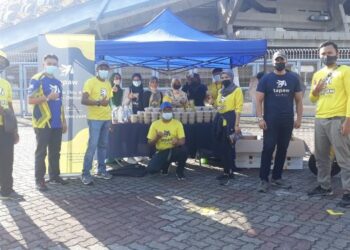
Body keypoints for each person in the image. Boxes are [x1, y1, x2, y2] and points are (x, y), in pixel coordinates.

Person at [307, 41, 350, 208]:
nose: (326, 56)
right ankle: (324, 186)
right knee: (321, 156)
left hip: (338, 119)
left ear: (337, 54)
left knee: (344, 157)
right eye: (323, 54)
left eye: (329, 52)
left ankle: (348, 191)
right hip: (320, 119)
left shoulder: (345, 71)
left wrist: (348, 120)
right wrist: (316, 90)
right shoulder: (318, 74)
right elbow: (312, 99)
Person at [256, 51, 303, 193]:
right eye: (277, 60)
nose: (279, 62)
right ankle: (263, 179)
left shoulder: (293, 78)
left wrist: (299, 118)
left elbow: (299, 101)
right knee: (268, 148)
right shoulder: (266, 79)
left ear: (286, 61)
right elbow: (258, 100)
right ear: (273, 62)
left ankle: (277, 177)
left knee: (283, 148)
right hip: (270, 120)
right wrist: (260, 118)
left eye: (281, 59)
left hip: (287, 120)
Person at [28, 54, 68, 191]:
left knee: (55, 152)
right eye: (49, 63)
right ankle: (39, 180)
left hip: (57, 124)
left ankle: (54, 176)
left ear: (57, 66)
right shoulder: (37, 79)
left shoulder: (58, 82)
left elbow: (60, 103)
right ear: (44, 64)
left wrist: (64, 121)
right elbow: (30, 100)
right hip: (43, 123)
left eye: (54, 64)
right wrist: (47, 97)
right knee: (41, 153)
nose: (51, 66)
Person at [81, 61, 113, 185]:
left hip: (106, 118)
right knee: (92, 146)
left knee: (103, 146)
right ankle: (85, 173)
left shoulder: (108, 83)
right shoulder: (90, 82)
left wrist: (111, 119)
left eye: (106, 68)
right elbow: (83, 100)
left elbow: (108, 103)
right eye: (102, 68)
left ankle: (101, 170)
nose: (104, 70)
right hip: (94, 119)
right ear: (97, 70)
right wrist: (99, 103)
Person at [213, 70, 243, 185]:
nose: (224, 79)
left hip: (230, 121)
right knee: (222, 147)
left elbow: (238, 108)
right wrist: (213, 104)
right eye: (222, 77)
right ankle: (225, 171)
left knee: (229, 147)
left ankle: (230, 172)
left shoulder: (237, 90)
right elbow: (220, 107)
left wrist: (236, 125)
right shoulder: (221, 91)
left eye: (226, 77)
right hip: (221, 122)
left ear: (231, 77)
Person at [147, 102, 187, 180]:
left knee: (184, 150)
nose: (167, 112)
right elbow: (149, 143)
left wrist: (177, 142)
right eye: (165, 111)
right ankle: (166, 165)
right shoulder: (155, 124)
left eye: (169, 110)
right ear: (160, 112)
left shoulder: (177, 123)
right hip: (161, 151)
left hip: (173, 149)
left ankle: (180, 172)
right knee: (151, 170)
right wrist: (157, 137)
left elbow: (182, 141)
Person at [0, 50, 20, 199]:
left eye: (2, 62)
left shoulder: (6, 84)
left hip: (5, 128)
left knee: (7, 159)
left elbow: (10, 107)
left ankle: (7, 190)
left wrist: (15, 129)